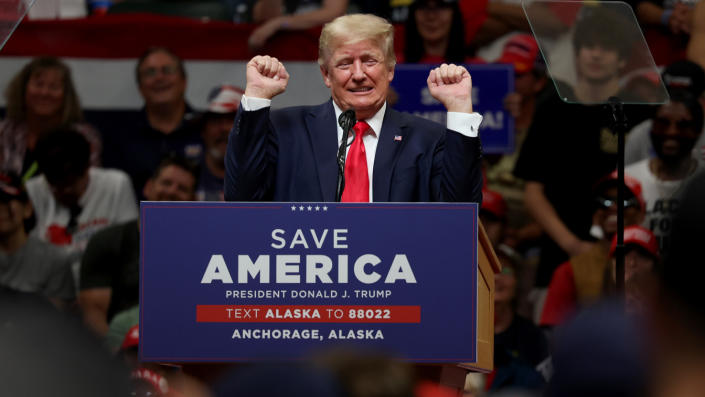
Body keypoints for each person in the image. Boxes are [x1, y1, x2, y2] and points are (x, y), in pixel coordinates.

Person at [225, 13, 483, 203]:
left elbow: (463, 214)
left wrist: (460, 108)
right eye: (345, 63)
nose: (358, 74)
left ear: (390, 69)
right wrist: (257, 97)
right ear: (326, 74)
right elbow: (241, 197)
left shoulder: (428, 139)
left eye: (370, 61)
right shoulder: (284, 130)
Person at [512, 7, 650, 321]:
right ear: (578, 53)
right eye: (589, 46)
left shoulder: (638, 113)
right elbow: (533, 192)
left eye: (607, 47)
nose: (596, 54)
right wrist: (572, 245)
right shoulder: (553, 109)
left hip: (625, 266)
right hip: (558, 258)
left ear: (622, 58)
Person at [79, 156, 198, 337]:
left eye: (182, 189)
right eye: (166, 183)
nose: (172, 191)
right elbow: (94, 314)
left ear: (193, 200)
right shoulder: (107, 241)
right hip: (119, 353)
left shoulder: (201, 248)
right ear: (148, 187)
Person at [25, 128, 138, 286]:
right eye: (56, 186)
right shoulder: (32, 191)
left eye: (71, 183)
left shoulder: (116, 185)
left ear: (88, 167)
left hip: (103, 288)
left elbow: (129, 252)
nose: (65, 191)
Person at [539, 171, 646, 327]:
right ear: (595, 213)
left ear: (641, 213)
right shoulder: (571, 270)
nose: (614, 207)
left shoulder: (658, 267)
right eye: (605, 202)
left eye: (624, 202)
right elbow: (553, 332)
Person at [102, 47, 203, 199]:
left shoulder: (205, 129)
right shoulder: (120, 136)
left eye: (167, 70)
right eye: (150, 73)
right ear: (140, 87)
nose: (159, 78)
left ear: (184, 81)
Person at [625, 91, 704, 253]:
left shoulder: (702, 181)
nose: (671, 132)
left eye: (683, 125)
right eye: (663, 123)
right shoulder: (627, 179)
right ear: (651, 127)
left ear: (698, 131)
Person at [0, 56, 101, 181]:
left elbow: (91, 188)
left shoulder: (84, 136)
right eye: (39, 84)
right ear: (22, 89)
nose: (45, 93)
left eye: (54, 87)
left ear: (66, 96)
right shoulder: (4, 131)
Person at [0, 172, 74, 309]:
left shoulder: (54, 260)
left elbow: (59, 321)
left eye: (7, 200)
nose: (1, 208)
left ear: (27, 208)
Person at [625, 60, 705, 166]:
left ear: (702, 98)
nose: (677, 105)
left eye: (686, 99)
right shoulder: (641, 134)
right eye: (670, 97)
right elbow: (627, 178)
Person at [196, 84, 243, 201]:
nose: (223, 128)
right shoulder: (182, 176)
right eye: (216, 120)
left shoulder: (265, 178)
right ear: (203, 130)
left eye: (233, 119)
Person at [248, 0, 349, 50]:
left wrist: (280, 23)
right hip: (282, 51)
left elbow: (333, 13)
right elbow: (263, 17)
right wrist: (275, 23)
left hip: (319, 52)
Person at [401, 0, 468, 65]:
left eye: (441, 6)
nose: (431, 16)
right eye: (423, 6)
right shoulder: (393, 68)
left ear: (454, 13)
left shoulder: (475, 67)